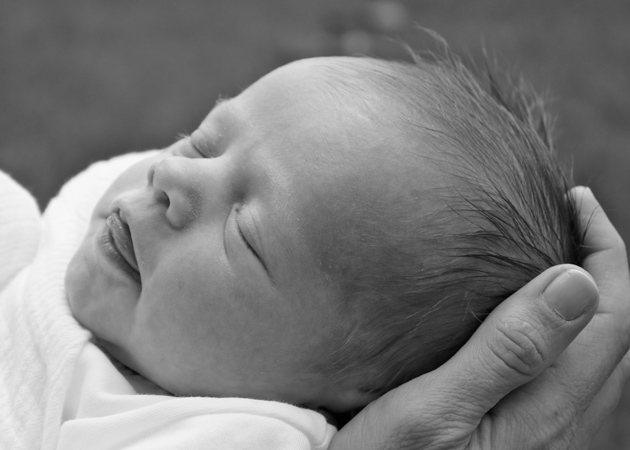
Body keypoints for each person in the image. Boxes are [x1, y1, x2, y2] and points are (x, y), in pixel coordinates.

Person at [1, 53, 628, 450]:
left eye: (245, 235)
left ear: (351, 390)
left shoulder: (229, 433)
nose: (171, 179)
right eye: (201, 143)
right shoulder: (94, 225)